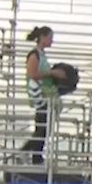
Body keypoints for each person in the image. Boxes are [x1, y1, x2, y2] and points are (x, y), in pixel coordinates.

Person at [20, 25, 66, 165]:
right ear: (43, 37)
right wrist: (52, 73)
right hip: (40, 95)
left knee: (44, 128)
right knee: (42, 127)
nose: (52, 41)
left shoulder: (41, 55)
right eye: (50, 38)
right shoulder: (34, 55)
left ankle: (36, 156)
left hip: (46, 95)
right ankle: (28, 152)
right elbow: (32, 74)